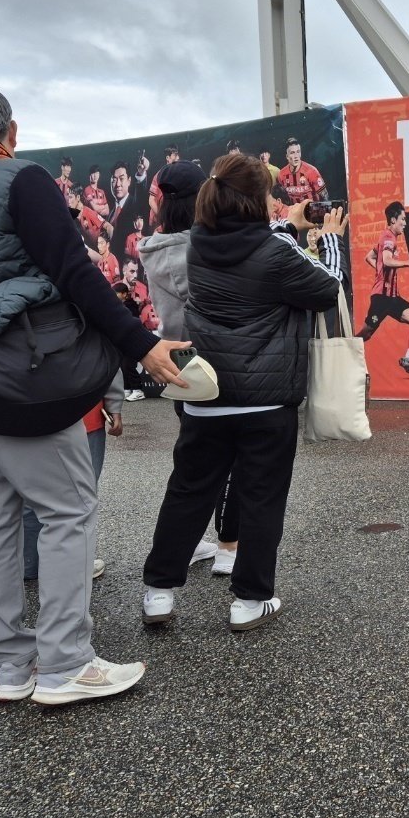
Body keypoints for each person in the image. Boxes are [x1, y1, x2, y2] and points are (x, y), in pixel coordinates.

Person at [0, 80, 190, 705]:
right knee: (66, 507)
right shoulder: (21, 180)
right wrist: (140, 347)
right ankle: (65, 664)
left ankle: (13, 668)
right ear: (11, 131)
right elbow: (73, 271)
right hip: (12, 379)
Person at [141, 153, 346, 632]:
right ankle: (250, 600)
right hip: (267, 401)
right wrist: (330, 240)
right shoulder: (275, 250)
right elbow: (326, 288)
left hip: (206, 397)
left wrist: (285, 231)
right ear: (258, 200)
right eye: (271, 195)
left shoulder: (196, 247)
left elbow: (256, 257)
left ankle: (158, 593)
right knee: (261, 499)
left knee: (187, 494)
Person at [138, 160, 238, 578]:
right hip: (226, 364)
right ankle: (230, 549)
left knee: (193, 466)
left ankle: (185, 549)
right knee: (237, 461)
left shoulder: (152, 252)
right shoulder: (213, 248)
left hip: (182, 368)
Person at [22, 374, 124, 582]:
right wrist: (114, 405)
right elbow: (106, 357)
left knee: (30, 495)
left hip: (24, 410)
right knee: (79, 498)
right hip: (82, 412)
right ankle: (72, 565)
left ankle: (29, 563)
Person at [358, 201, 409, 374]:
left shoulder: (388, 237)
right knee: (365, 335)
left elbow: (369, 256)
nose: (405, 223)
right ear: (393, 219)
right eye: (403, 219)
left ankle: (408, 359)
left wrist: (380, 268)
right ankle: (342, 350)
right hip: (381, 298)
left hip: (393, 297)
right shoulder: (388, 237)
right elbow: (387, 260)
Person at [277, 137, 328, 204]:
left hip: (311, 211)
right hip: (293, 212)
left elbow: (325, 196)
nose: (296, 156)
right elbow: (282, 197)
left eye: (298, 152)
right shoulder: (282, 174)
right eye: (292, 153)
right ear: (287, 156)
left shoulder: (311, 171)